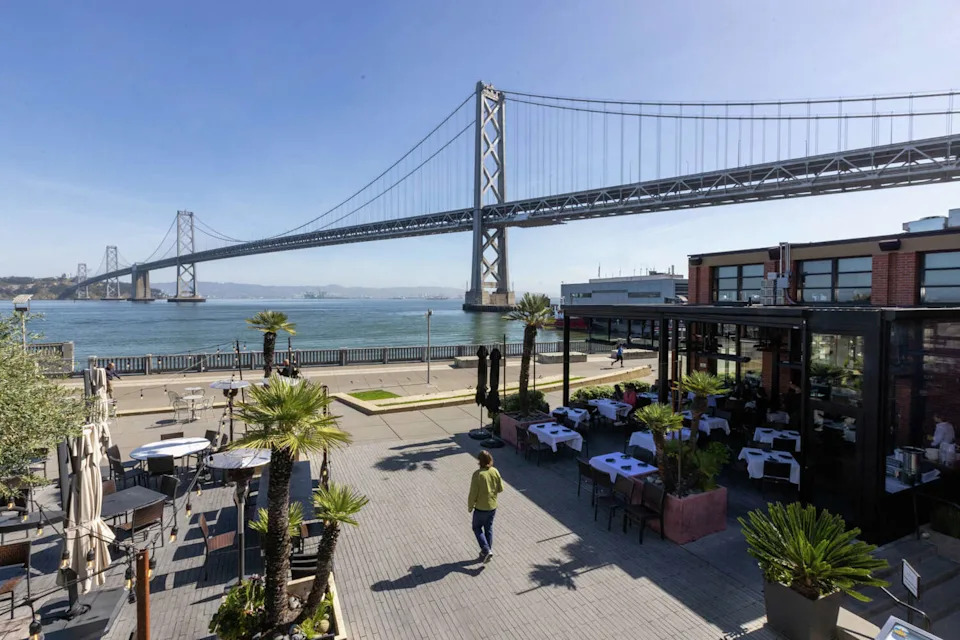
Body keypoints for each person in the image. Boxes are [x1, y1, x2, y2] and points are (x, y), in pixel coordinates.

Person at [468, 450, 503, 564]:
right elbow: (500, 488)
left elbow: (473, 493)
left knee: (476, 528)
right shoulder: (495, 471)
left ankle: (486, 549)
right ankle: (487, 552)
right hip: (492, 507)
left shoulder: (478, 474)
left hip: (480, 508)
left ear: (479, 461)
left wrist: (470, 506)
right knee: (488, 529)